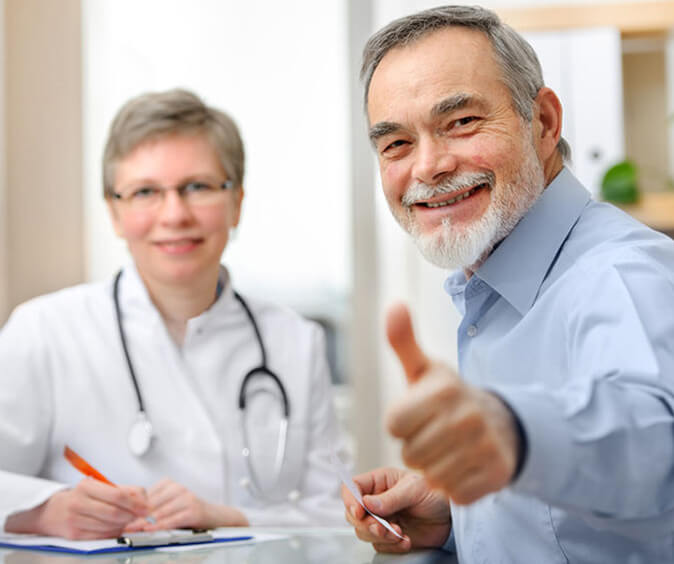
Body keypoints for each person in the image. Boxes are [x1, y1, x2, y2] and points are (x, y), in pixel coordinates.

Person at [342, 5, 674, 562]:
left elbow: (652, 439)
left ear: (543, 122)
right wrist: (463, 514)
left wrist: (517, 435)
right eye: (396, 143)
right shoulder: (487, 289)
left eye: (462, 122)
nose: (428, 166)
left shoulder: (619, 273)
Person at [0, 89, 347, 540]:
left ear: (237, 201)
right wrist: (39, 512)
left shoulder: (295, 342)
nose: (175, 214)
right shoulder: (44, 331)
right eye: (145, 192)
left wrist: (228, 519)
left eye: (198, 187)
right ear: (115, 213)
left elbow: (340, 513)